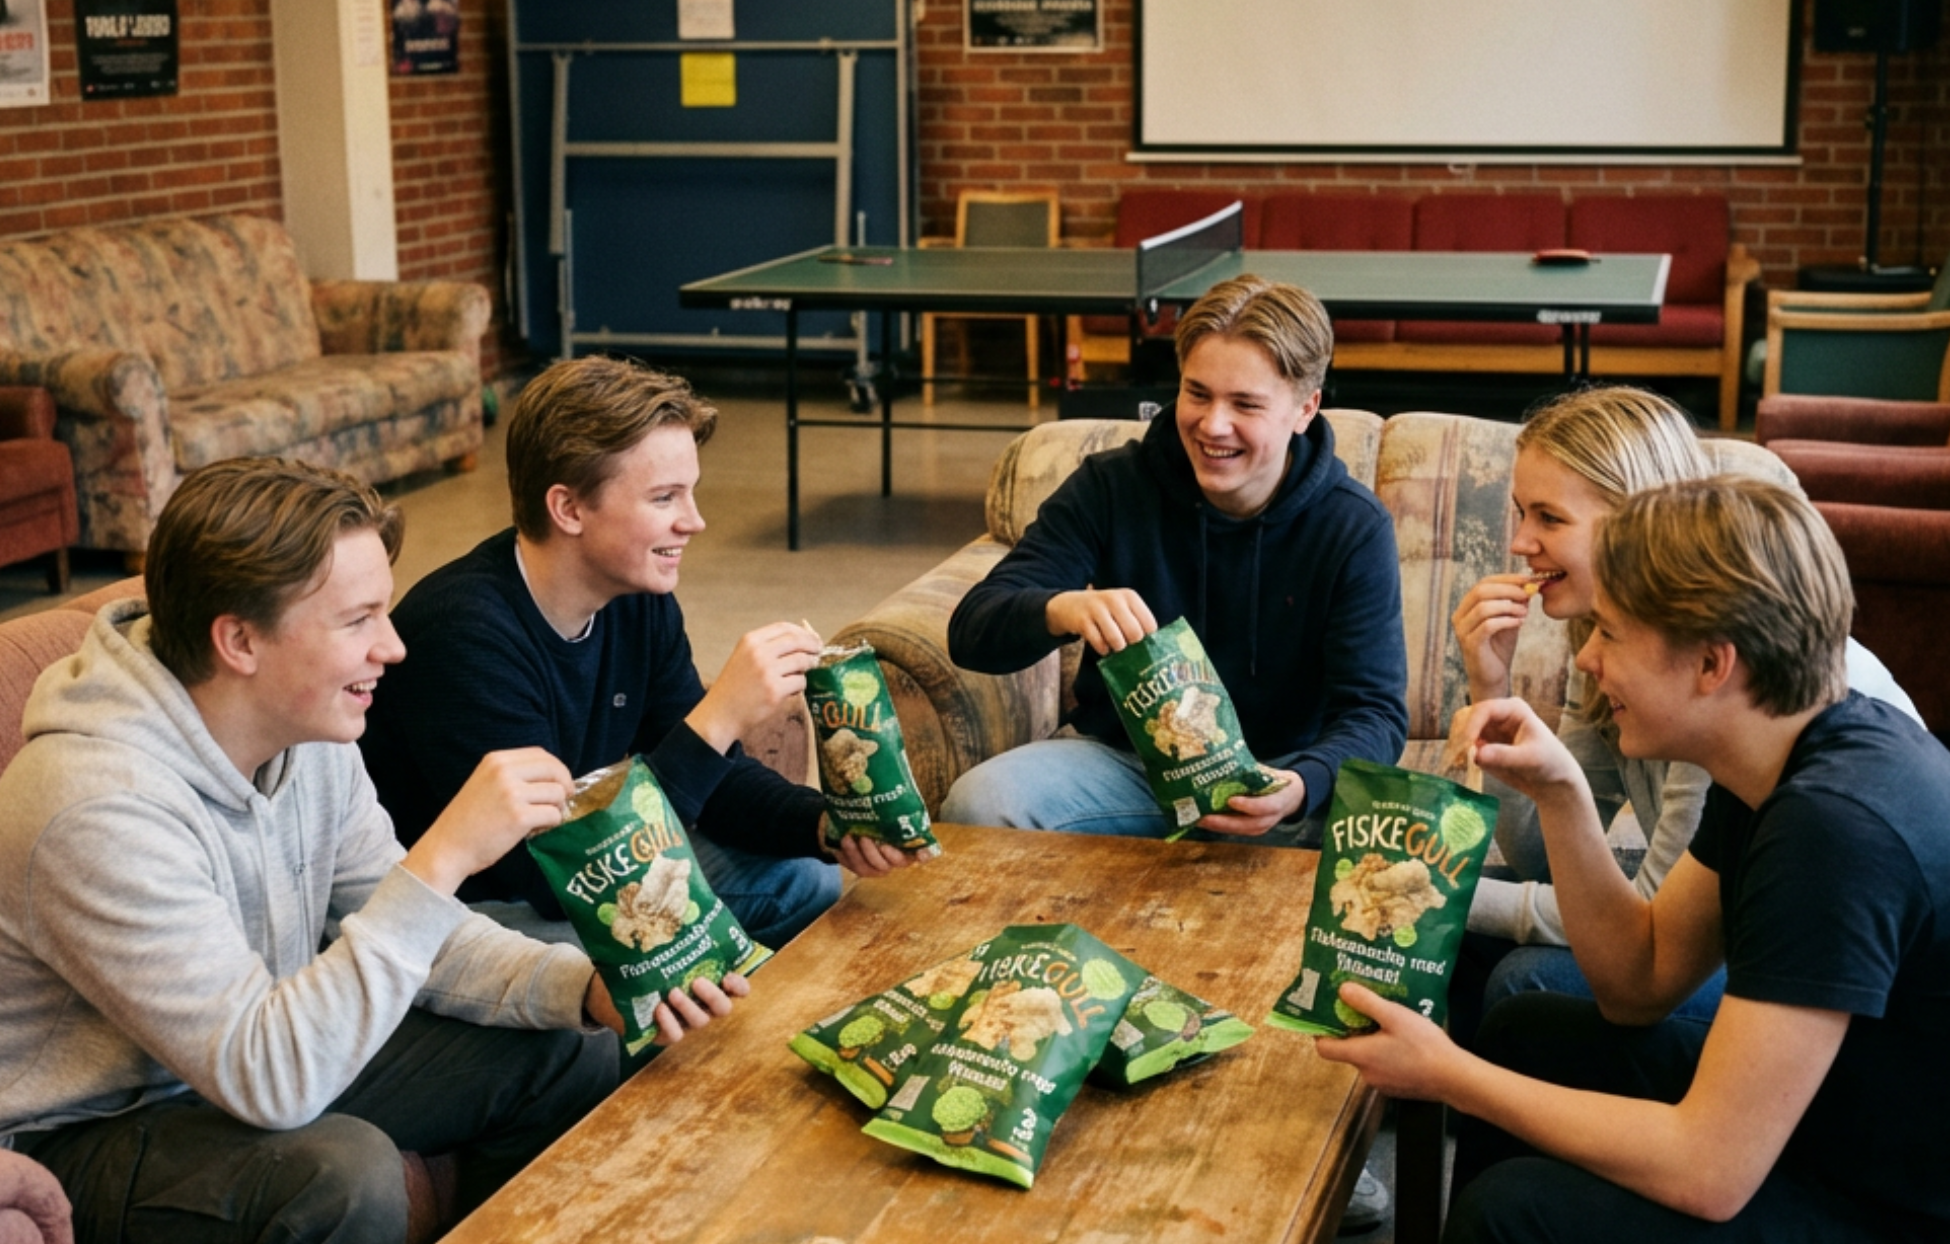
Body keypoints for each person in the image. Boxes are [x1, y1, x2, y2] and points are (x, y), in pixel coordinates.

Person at [0, 458, 738, 1244]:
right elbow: (271, 1077)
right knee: (341, 1175)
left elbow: (415, 935)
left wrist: (589, 988)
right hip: (92, 1121)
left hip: (257, 1046)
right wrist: (444, 855)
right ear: (240, 640)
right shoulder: (97, 807)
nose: (392, 647)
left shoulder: (304, 726)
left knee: (567, 1044)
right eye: (357, 621)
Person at [1319, 476, 1950, 1242]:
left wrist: (1450, 1076)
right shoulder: (1779, 756)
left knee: (1515, 1210)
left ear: (1714, 665)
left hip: (1893, 1202)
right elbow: (1639, 983)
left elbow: (1708, 1170)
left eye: (1611, 635)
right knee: (1526, 1032)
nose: (1585, 660)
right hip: (1837, 1118)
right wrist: (1560, 795)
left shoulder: (1835, 832)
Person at [361, 356, 913, 952]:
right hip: (482, 912)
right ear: (568, 509)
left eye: (690, 493)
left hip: (587, 867)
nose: (694, 521)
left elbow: (714, 785)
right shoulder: (461, 635)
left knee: (801, 876)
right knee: (608, 957)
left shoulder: (633, 596)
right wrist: (718, 718)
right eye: (664, 498)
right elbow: (552, 879)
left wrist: (825, 825)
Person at [1448, 385, 1921, 1033]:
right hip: (1721, 912)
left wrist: (1446, 891)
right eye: (1519, 513)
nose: (1521, 542)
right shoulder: (1603, 640)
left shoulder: (1729, 694)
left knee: (1522, 974)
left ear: (1635, 518)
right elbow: (1544, 858)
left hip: (1799, 961)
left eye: (1549, 518)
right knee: (1465, 941)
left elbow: (1649, 938)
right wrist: (1491, 688)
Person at [940, 275, 1409, 844]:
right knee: (979, 802)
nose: (1213, 425)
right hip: (1124, 767)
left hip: (1275, 778)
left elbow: (1376, 714)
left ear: (1305, 409)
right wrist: (1061, 608)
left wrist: (1300, 785)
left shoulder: (1353, 526)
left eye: (1246, 405)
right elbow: (971, 630)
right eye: (1198, 393)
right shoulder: (1109, 486)